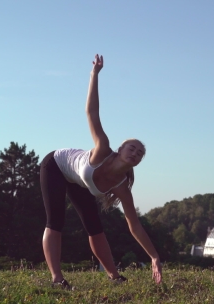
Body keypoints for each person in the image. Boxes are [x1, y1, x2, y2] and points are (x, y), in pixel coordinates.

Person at [39, 54, 162, 289]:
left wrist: (154, 256)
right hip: (56, 165)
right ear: (120, 149)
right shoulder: (103, 149)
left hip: (80, 181)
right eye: (132, 147)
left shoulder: (122, 187)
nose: (135, 153)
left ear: (137, 162)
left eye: (139, 153)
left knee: (94, 226)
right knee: (55, 221)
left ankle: (114, 275)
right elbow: (91, 113)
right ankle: (57, 279)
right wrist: (94, 74)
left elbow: (134, 225)